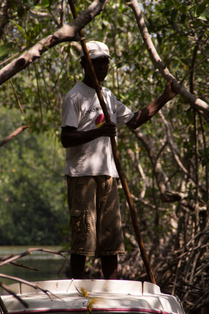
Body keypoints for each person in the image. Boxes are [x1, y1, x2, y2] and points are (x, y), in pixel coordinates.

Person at [61, 40, 176, 279]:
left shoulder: (108, 96)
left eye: (106, 61)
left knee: (110, 239)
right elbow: (66, 137)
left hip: (109, 177)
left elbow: (134, 120)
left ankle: (110, 289)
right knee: (82, 239)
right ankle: (77, 288)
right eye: (97, 62)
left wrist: (164, 98)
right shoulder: (75, 96)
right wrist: (99, 131)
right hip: (82, 176)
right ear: (84, 64)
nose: (103, 66)